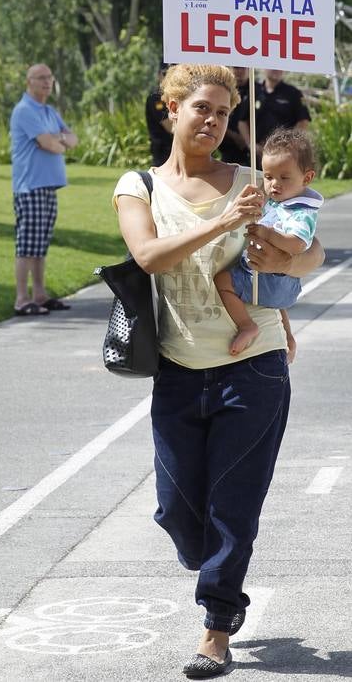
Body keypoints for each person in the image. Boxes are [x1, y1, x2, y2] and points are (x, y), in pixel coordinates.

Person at [112, 64, 323, 678]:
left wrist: (283, 250)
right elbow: (148, 256)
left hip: (253, 367)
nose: (213, 121)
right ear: (170, 109)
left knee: (234, 506)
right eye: (201, 107)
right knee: (178, 510)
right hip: (178, 367)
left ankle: (216, 627)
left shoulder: (257, 182)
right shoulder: (139, 185)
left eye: (225, 112)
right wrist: (226, 223)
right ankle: (219, 569)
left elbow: (311, 252)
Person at [215, 127, 323, 360]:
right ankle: (286, 333)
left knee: (223, 280)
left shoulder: (301, 211)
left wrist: (268, 234)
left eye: (284, 178)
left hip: (276, 281)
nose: (274, 184)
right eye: (268, 176)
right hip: (273, 282)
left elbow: (297, 244)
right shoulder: (278, 202)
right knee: (271, 303)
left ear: (307, 178)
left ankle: (246, 325)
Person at [10, 63, 78, 316]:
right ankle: (21, 299)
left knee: (40, 247)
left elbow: (72, 139)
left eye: (49, 77)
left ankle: (39, 295)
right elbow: (52, 144)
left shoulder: (48, 111)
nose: (47, 82)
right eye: (41, 78)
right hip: (30, 187)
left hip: (47, 187)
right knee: (27, 246)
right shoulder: (25, 110)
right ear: (29, 81)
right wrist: (59, 140)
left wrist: (58, 139)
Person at [238, 68, 311, 167]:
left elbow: (303, 122)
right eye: (272, 66)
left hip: (283, 155)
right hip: (258, 155)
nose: (276, 69)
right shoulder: (254, 91)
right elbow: (242, 122)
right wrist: (251, 145)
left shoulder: (293, 93)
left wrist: (289, 146)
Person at [218, 66, 261, 166]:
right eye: (236, 68)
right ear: (230, 68)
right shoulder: (223, 89)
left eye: (243, 68)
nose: (240, 71)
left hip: (252, 151)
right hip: (228, 149)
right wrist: (234, 136)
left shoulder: (257, 90)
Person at [145, 61, 173, 165]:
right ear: (159, 75)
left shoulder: (177, 97)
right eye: (165, 74)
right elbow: (171, 127)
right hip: (163, 154)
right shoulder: (156, 98)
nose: (169, 78)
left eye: (173, 75)